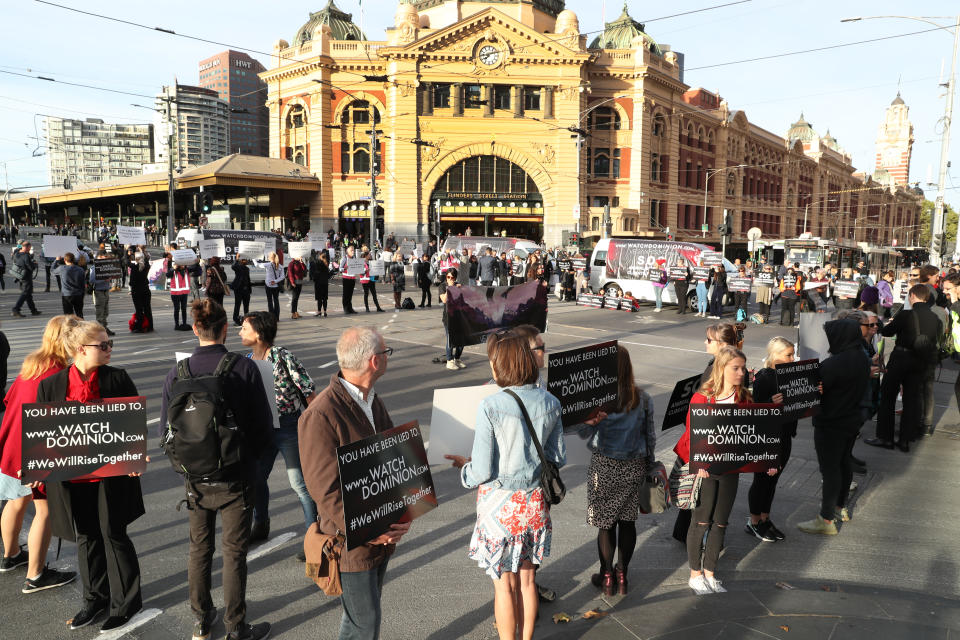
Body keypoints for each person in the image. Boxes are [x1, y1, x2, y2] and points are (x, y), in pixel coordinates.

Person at [160, 300, 273, 640]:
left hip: (195, 479)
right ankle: (235, 627)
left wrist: (187, 468)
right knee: (235, 553)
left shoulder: (177, 373)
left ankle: (200, 620)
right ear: (225, 329)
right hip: (236, 476)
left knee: (199, 549)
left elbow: (166, 431)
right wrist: (252, 464)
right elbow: (263, 427)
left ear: (195, 329)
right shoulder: (242, 368)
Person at [446, 330, 565, 640]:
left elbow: (483, 469)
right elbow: (558, 457)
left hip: (500, 506)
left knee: (503, 583)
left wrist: (465, 470)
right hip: (535, 503)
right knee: (528, 581)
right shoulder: (551, 402)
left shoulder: (492, 405)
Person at [299, 327, 411, 640]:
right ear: (375, 362)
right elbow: (324, 490)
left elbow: (393, 459)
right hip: (349, 539)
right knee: (366, 622)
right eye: (386, 352)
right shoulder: (320, 414)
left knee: (358, 620)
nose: (388, 357)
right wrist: (369, 528)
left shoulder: (372, 400)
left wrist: (402, 515)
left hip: (379, 531)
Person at [40, 321, 145, 631]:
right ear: (80, 350)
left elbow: (133, 423)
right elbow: (43, 434)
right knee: (86, 536)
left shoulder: (117, 378)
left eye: (109, 343)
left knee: (113, 532)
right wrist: (36, 467)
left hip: (110, 474)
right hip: (73, 478)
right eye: (103, 345)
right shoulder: (52, 385)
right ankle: (93, 599)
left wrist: (137, 454)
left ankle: (126, 602)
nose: (109, 349)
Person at [0, 316, 80, 593]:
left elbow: (9, 401)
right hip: (35, 450)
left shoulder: (32, 365)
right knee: (45, 511)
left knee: (15, 501)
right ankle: (36, 575)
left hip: (12, 445)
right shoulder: (59, 374)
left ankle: (10, 556)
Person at [674, 346, 754, 594]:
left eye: (742, 368)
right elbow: (691, 435)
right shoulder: (703, 398)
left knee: (721, 523)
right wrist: (698, 463)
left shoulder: (745, 398)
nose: (741, 373)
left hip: (731, 470)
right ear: (722, 368)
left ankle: (710, 572)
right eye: (736, 368)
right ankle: (695, 573)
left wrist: (766, 461)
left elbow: (754, 434)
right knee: (701, 521)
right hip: (706, 471)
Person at [577, 350, 654, 596]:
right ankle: (623, 574)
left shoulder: (599, 400)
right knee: (628, 521)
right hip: (634, 465)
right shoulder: (642, 398)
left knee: (605, 523)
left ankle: (607, 575)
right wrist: (650, 464)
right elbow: (649, 436)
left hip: (605, 465)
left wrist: (589, 419)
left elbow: (582, 433)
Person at [239, 311, 318, 546]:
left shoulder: (283, 356)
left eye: (245, 327)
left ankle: (313, 538)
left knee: (299, 483)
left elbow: (308, 391)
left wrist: (316, 425)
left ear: (259, 333)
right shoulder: (246, 361)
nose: (240, 331)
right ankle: (260, 524)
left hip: (287, 425)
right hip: (261, 429)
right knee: (256, 478)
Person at [798, 318, 870, 535]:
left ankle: (826, 519)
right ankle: (840, 508)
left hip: (831, 422)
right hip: (851, 420)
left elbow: (813, 387)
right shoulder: (861, 357)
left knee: (830, 471)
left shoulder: (833, 364)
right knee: (843, 464)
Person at [866, 284, 943, 451]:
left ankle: (885, 437)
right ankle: (905, 440)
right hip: (920, 361)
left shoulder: (906, 314)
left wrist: (891, 324)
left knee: (888, 396)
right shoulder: (934, 318)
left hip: (901, 358)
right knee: (911, 399)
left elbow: (886, 331)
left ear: (912, 296)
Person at [745, 337, 795, 543]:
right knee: (762, 480)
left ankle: (765, 518)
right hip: (766, 438)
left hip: (784, 435)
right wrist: (769, 402)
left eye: (793, 354)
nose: (793, 359)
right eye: (788, 355)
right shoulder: (765, 377)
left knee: (773, 481)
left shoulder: (789, 376)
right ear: (775, 355)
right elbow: (754, 409)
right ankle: (754, 521)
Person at [439, 268, 465, 370]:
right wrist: (449, 288)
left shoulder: (458, 285)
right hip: (448, 318)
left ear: (455, 278)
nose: (450, 279)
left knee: (462, 340)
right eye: (448, 277)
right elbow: (444, 300)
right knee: (451, 339)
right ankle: (449, 360)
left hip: (458, 316)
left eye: (452, 277)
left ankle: (457, 359)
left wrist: (461, 289)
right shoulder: (442, 286)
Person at [12, 242, 41, 318]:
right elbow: (30, 267)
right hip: (26, 277)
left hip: (19, 275)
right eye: (29, 248)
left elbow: (18, 262)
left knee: (28, 294)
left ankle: (33, 310)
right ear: (27, 247)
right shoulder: (26, 256)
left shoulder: (17, 253)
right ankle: (16, 309)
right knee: (25, 293)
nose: (30, 249)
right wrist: (34, 264)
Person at [89, 251, 115, 336]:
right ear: (99, 257)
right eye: (104, 257)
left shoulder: (105, 266)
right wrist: (104, 280)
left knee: (105, 311)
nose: (106, 258)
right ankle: (100, 330)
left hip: (105, 290)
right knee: (100, 311)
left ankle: (104, 328)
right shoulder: (94, 267)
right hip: (98, 291)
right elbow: (92, 280)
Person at [54, 252, 87, 318]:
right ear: (74, 259)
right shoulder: (80, 270)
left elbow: (52, 270)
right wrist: (83, 294)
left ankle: (70, 328)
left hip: (67, 295)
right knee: (79, 314)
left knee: (68, 316)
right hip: (78, 294)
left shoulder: (62, 268)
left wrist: (56, 260)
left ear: (65, 260)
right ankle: (81, 327)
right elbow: (83, 283)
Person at [128, 246, 153, 332]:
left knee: (139, 309)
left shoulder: (134, 267)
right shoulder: (146, 266)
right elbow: (147, 260)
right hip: (145, 289)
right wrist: (142, 251)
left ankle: (141, 326)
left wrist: (126, 250)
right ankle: (150, 326)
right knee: (147, 308)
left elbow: (124, 262)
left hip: (136, 290)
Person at [167, 260, 193, 331]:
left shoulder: (187, 270)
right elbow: (167, 275)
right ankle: (177, 325)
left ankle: (184, 323)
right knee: (177, 309)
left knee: (184, 309)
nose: (184, 265)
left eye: (184, 264)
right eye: (182, 264)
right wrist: (174, 268)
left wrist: (197, 262)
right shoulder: (173, 270)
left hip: (184, 293)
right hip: (175, 294)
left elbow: (198, 271)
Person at [229, 257, 252, 326]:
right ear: (241, 261)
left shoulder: (247, 269)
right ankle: (236, 320)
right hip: (239, 289)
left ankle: (246, 319)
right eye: (245, 259)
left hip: (246, 290)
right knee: (237, 305)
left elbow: (248, 279)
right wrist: (236, 259)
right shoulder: (238, 267)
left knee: (246, 306)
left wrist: (249, 289)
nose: (247, 261)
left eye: (247, 260)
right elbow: (233, 266)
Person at [309, 250, 330, 317]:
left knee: (319, 298)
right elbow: (328, 274)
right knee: (324, 298)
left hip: (318, 282)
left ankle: (319, 311)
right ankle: (325, 311)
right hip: (325, 282)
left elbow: (312, 270)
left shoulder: (316, 263)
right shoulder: (326, 263)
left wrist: (313, 278)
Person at [287, 255, 307, 319]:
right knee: (294, 298)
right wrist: (292, 282)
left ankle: (296, 312)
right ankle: (293, 313)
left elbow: (304, 269)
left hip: (300, 282)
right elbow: (290, 273)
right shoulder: (291, 263)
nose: (300, 257)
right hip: (295, 283)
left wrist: (301, 262)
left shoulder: (300, 263)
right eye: (298, 256)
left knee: (297, 298)